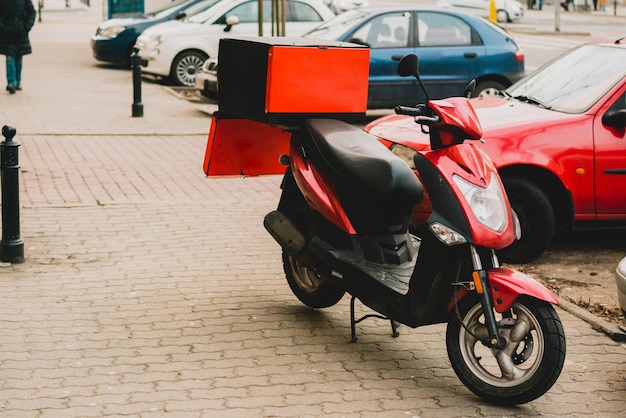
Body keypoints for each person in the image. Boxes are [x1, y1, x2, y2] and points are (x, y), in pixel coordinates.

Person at [0, 0, 36, 94]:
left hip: (20, 32)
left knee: (18, 58)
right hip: (7, 33)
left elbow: (32, 12)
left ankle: (18, 81)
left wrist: (27, 26)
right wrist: (2, 27)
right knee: (10, 58)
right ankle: (11, 82)